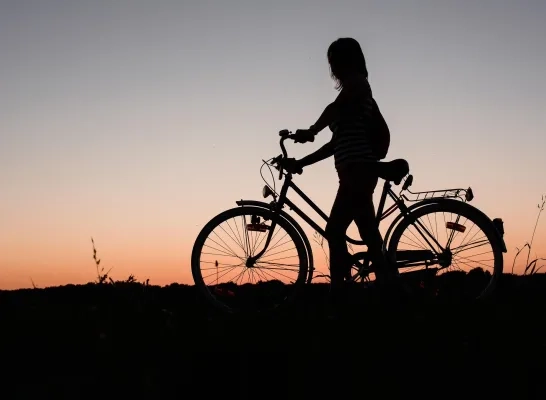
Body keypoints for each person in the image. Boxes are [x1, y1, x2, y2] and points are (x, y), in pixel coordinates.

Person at [281, 37, 396, 308]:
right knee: (368, 233)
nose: (332, 65)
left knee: (334, 230)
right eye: (331, 60)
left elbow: (332, 111)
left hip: (358, 170)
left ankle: (339, 294)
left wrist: (311, 129)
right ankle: (388, 292)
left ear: (349, 60)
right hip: (353, 172)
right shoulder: (350, 96)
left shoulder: (357, 85)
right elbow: (334, 145)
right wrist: (301, 163)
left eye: (336, 59)